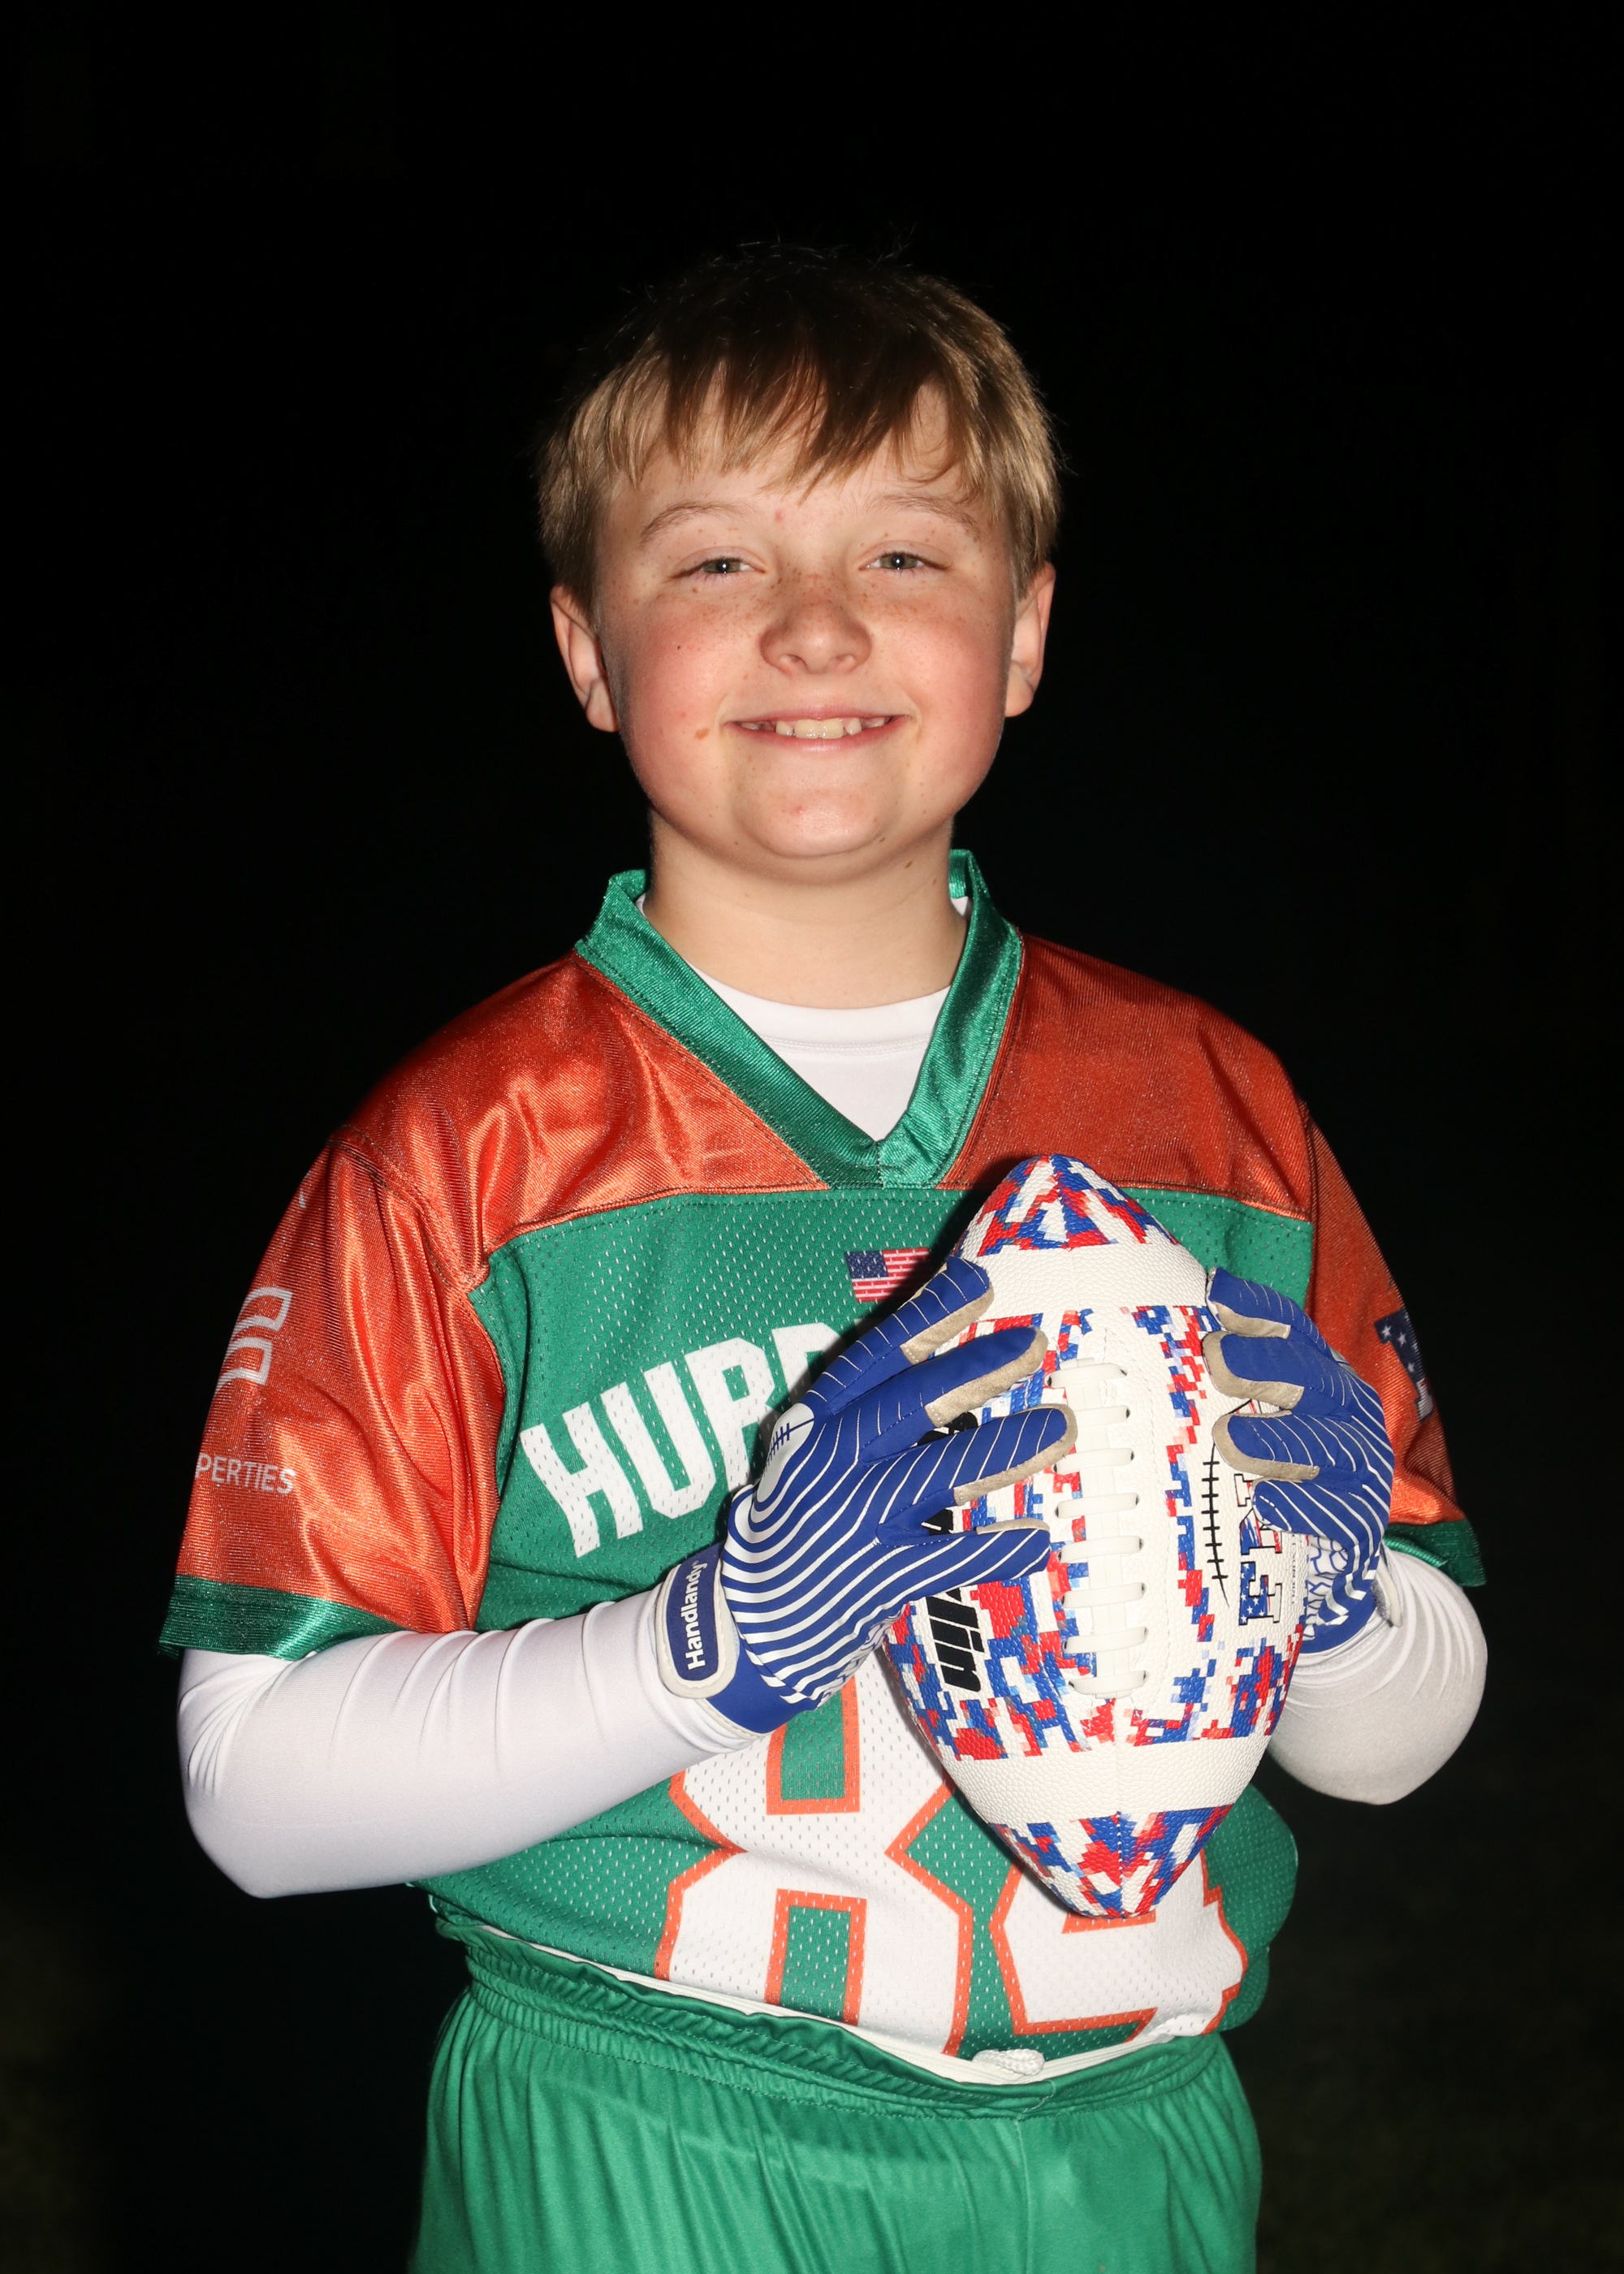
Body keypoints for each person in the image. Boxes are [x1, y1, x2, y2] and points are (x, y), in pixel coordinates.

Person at [166, 249, 1487, 2273]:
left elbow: (1392, 1740)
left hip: (1120, 2137)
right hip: (634, 2125)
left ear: (1023, 631)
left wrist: (1329, 1596)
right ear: (586, 648)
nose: (811, 621)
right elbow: (255, 1785)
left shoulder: (1211, 1108)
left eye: (902, 552)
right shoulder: (464, 1147)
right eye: (714, 560)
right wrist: (717, 1641)